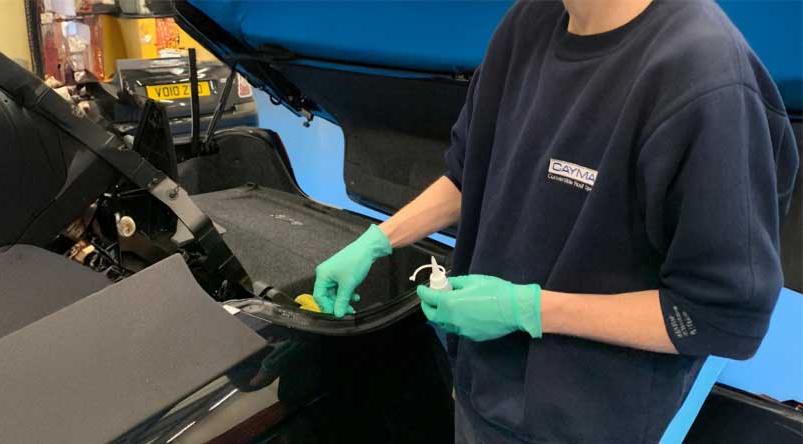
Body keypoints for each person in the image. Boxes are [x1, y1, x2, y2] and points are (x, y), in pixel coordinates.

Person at [312, 0, 799, 442]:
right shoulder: (527, 23)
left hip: (586, 422)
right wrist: (378, 240)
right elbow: (468, 173)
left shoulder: (704, 77)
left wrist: (527, 310)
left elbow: (713, 315)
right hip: (482, 389)